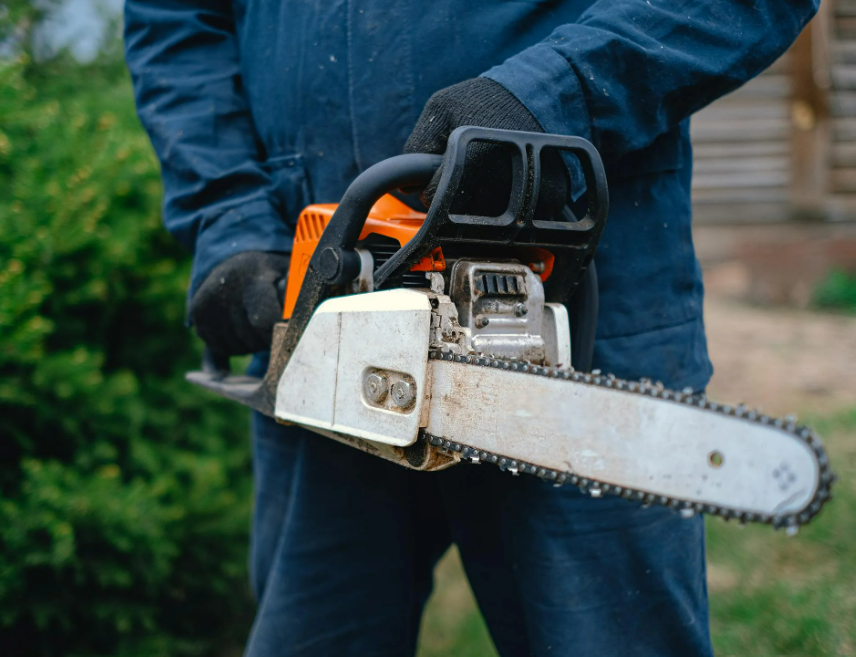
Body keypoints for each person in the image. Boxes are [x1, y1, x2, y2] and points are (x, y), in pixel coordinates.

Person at [124, 1, 817, 654]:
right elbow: (175, 18)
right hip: (322, 303)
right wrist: (230, 217)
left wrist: (549, 98)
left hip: (576, 282)